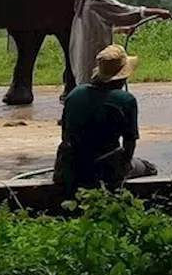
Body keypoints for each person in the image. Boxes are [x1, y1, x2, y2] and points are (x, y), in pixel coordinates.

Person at [53, 44, 158, 196]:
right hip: (104, 169)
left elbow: (65, 134)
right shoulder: (126, 100)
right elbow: (129, 143)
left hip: (69, 167)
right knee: (149, 168)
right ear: (122, 77)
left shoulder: (75, 94)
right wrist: (124, 166)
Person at [70, 0, 171, 94]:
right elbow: (125, 11)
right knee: (100, 90)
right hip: (96, 57)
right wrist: (157, 12)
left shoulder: (84, 0)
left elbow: (92, 29)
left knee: (89, 91)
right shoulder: (97, 0)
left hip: (84, 57)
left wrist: (120, 29)